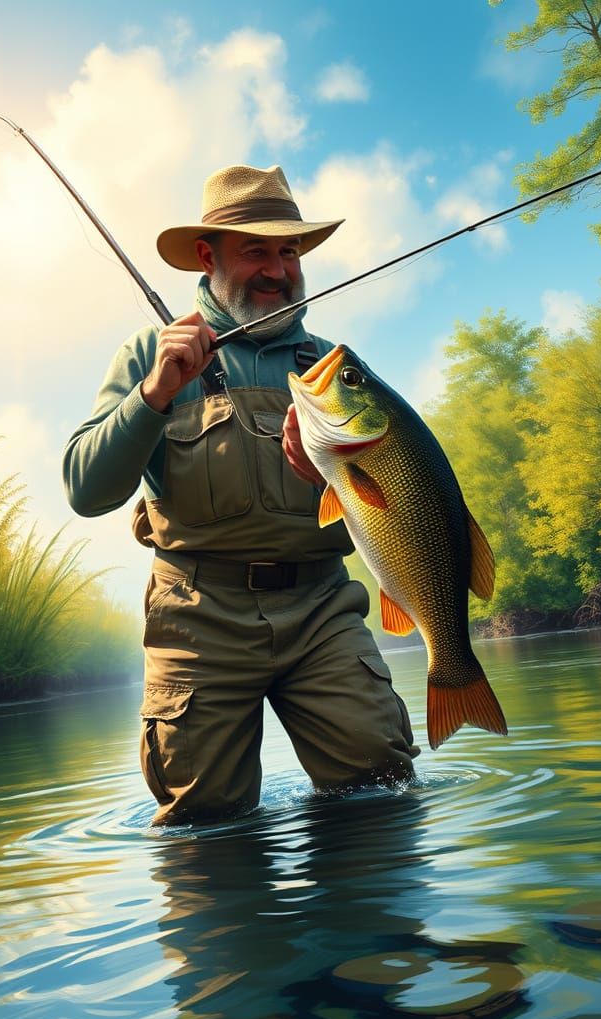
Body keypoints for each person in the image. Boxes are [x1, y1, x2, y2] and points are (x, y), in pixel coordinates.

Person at [63, 164, 419, 826]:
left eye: (290, 252)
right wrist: (155, 393)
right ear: (208, 256)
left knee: (382, 786)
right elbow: (85, 490)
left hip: (323, 609)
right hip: (197, 616)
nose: (278, 270)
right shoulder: (148, 355)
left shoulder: (335, 371)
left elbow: (398, 510)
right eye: (257, 250)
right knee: (205, 819)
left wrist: (329, 482)